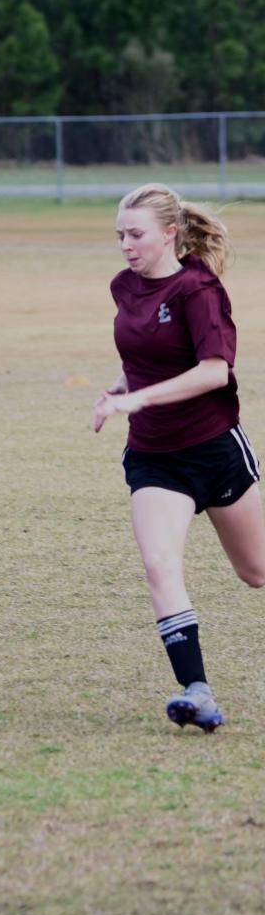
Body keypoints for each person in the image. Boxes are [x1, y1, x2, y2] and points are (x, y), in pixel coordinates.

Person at [93, 182, 265, 732]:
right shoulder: (124, 286)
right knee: (158, 563)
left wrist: (138, 397)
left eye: (136, 234)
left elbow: (216, 370)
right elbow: (141, 354)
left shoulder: (198, 290)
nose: (125, 245)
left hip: (213, 447)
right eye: (120, 234)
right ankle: (197, 691)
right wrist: (117, 388)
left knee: (256, 572)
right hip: (154, 455)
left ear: (171, 233)